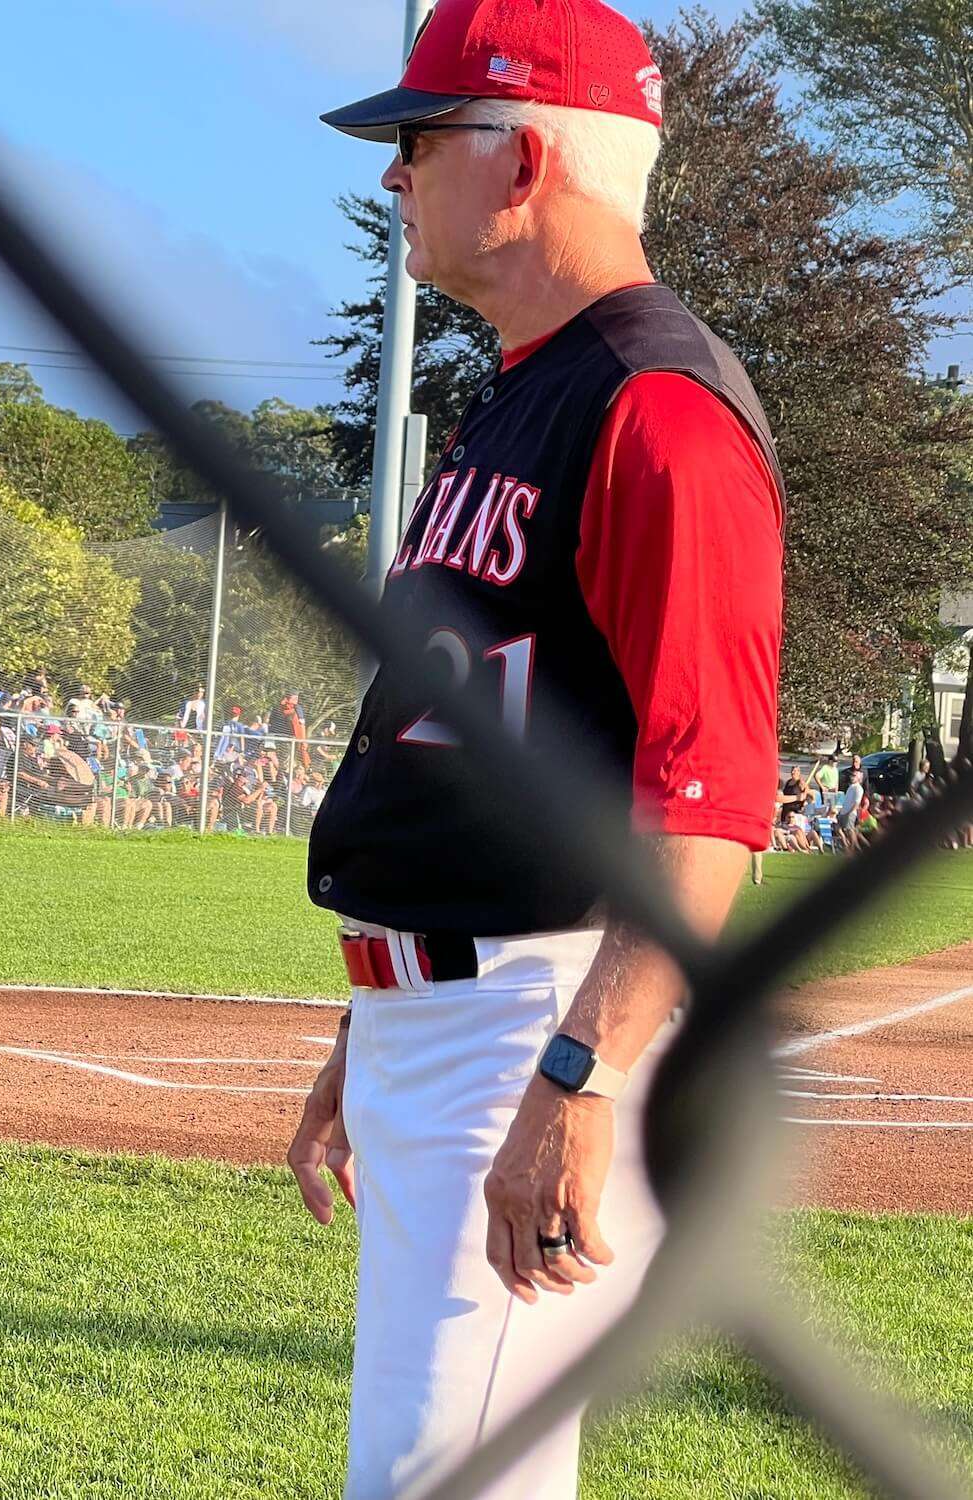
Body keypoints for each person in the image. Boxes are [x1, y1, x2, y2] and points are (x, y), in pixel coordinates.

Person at [290, 5, 786, 1496]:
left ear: (524, 166)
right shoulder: (529, 390)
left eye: (420, 141)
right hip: (441, 1018)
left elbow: (707, 812)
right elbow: (469, 742)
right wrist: (361, 1025)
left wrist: (574, 1082)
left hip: (536, 1022)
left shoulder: (655, 410)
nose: (394, 179)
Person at [837, 770, 865, 850]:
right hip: (843, 811)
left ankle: (852, 848)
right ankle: (846, 845)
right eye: (851, 776)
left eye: (854, 776)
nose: (852, 777)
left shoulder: (859, 788)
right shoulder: (851, 787)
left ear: (859, 778)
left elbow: (857, 803)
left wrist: (849, 812)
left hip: (850, 813)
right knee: (837, 828)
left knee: (850, 830)